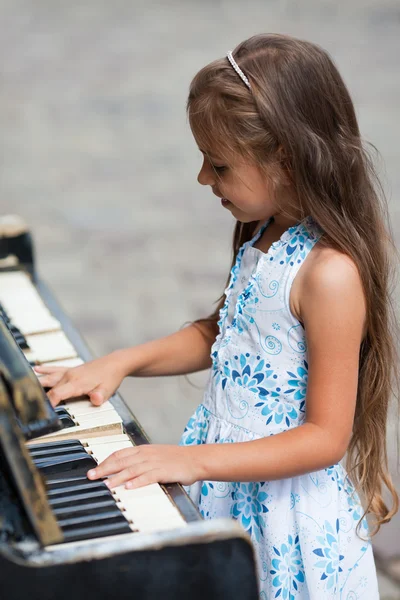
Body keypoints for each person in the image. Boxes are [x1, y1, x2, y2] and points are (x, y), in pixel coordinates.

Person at [35, 33, 399, 599]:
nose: (205, 179)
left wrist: (193, 461)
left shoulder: (329, 274)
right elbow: (226, 333)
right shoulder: (267, 231)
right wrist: (118, 363)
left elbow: (326, 437)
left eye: (220, 165)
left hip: (285, 522)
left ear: (284, 157)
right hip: (230, 487)